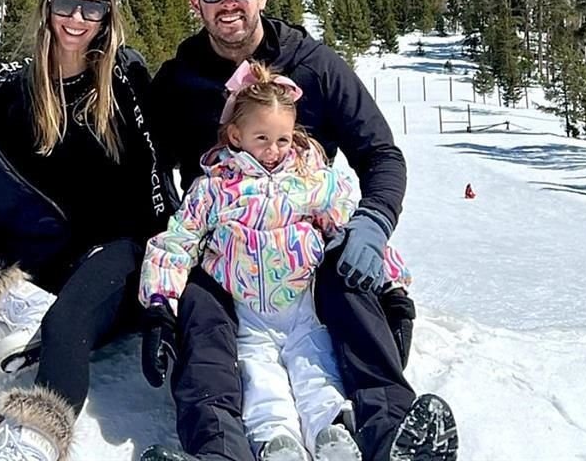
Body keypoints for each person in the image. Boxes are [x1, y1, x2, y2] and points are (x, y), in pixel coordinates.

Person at [140, 0, 457, 461]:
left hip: (307, 258)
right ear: (196, 3)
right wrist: (158, 299)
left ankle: (391, 435)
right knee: (202, 308)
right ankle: (219, 449)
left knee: (349, 271)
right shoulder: (178, 81)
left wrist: (375, 235)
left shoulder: (314, 66)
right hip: (227, 259)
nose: (229, 2)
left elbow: (381, 154)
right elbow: (149, 175)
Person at [0, 0, 178, 460]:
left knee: (66, 323)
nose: (76, 19)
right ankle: (19, 301)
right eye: (66, 3)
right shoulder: (10, 94)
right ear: (47, 5)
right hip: (39, 257)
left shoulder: (126, 88)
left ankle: (29, 439)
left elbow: (159, 188)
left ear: (106, 16)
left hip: (115, 256)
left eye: (91, 8)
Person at [141, 61, 416, 461]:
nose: (274, 151)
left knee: (316, 368)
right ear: (235, 135)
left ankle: (332, 433)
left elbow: (348, 231)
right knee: (260, 376)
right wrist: (159, 304)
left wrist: (393, 287)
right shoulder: (215, 189)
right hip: (247, 309)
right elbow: (177, 242)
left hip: (304, 305)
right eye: (262, 138)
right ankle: (276, 443)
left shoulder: (313, 180)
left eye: (283, 140)